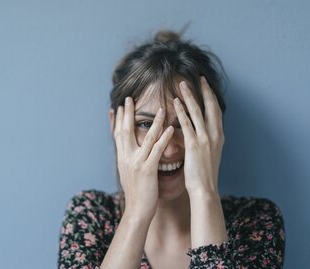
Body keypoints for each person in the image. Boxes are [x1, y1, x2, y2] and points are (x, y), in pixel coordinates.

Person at [58, 30, 285, 269]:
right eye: (146, 124)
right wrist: (136, 213)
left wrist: (204, 193)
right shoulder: (90, 215)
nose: (168, 151)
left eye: (186, 123)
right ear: (116, 126)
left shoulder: (256, 220)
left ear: (214, 130)